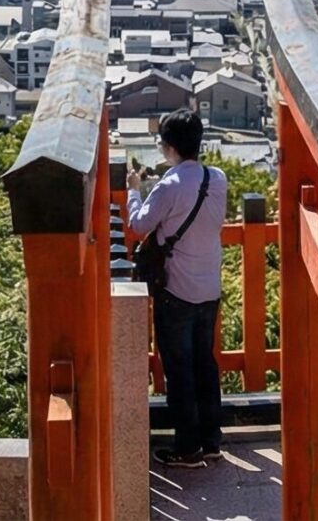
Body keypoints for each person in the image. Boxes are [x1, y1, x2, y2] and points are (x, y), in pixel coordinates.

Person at [127, 106, 228, 469]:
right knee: (205, 365)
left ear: (168, 146)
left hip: (177, 290)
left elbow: (140, 225)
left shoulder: (170, 184)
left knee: (179, 370)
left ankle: (188, 449)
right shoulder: (217, 178)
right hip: (210, 287)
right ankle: (211, 440)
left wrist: (135, 190)